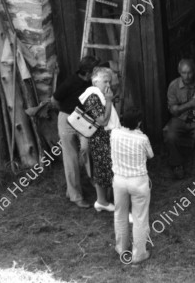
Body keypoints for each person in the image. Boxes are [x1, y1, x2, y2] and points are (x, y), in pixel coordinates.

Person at [51, 56, 100, 208]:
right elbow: (54, 100)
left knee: (87, 149)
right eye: (94, 70)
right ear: (87, 72)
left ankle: (94, 184)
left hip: (85, 121)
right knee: (70, 158)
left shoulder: (93, 82)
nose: (97, 72)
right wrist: (66, 112)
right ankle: (75, 195)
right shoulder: (70, 82)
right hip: (67, 120)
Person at [111, 107, 153, 264]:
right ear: (139, 123)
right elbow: (150, 155)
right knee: (140, 217)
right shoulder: (142, 139)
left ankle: (121, 247)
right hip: (138, 181)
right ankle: (139, 254)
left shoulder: (114, 133)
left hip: (119, 180)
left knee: (120, 214)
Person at [79, 67, 121, 212]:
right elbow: (102, 121)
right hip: (100, 139)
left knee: (105, 171)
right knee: (108, 171)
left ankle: (103, 201)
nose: (108, 85)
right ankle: (109, 202)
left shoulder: (99, 95)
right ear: (95, 81)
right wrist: (109, 101)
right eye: (105, 82)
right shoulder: (92, 96)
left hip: (105, 138)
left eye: (109, 82)